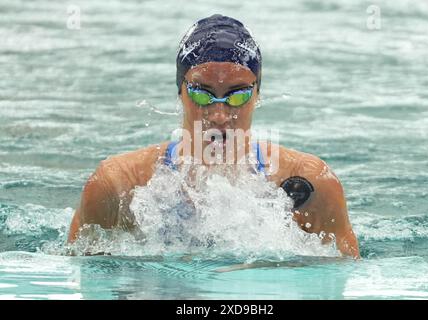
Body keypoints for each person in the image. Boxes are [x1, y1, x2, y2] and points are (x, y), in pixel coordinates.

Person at [68, 14, 360, 258]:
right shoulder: (119, 185)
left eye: (237, 95)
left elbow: (335, 283)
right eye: (202, 93)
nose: (219, 114)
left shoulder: (314, 185)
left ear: (257, 94)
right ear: (179, 90)